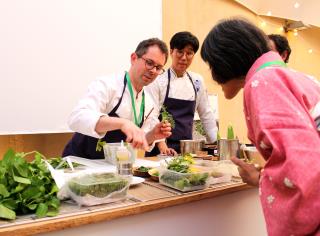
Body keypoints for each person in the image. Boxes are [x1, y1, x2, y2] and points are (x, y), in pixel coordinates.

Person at [201, 18, 320, 235]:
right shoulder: (298, 76)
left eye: (211, 64)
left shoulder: (263, 81)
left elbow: (302, 168)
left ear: (225, 59)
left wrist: (260, 179)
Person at [63, 38, 172, 159]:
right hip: (81, 161)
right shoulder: (107, 85)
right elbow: (77, 118)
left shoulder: (149, 102)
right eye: (149, 63)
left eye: (158, 68)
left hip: (112, 166)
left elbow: (138, 141)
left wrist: (153, 135)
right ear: (134, 58)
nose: (153, 71)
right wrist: (122, 123)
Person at [145, 31, 218, 156]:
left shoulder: (197, 81)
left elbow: (206, 114)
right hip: (161, 150)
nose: (184, 57)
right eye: (180, 52)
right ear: (171, 51)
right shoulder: (158, 80)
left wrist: (217, 143)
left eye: (189, 53)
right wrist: (162, 146)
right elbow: (152, 116)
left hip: (188, 151)